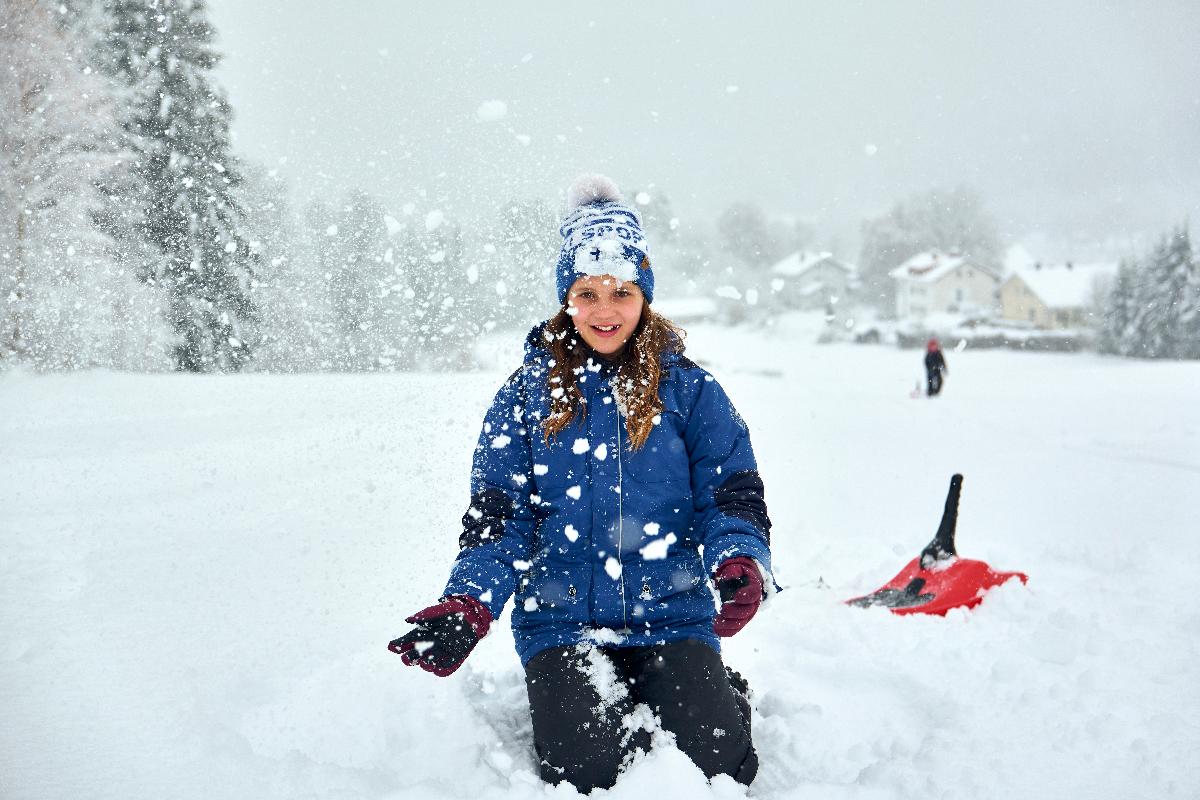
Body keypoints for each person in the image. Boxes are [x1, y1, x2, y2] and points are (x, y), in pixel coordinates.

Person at [388, 174, 776, 792]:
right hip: (563, 624)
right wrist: (470, 604)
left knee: (721, 766)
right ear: (566, 296)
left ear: (644, 295)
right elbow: (497, 519)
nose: (604, 309)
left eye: (621, 291)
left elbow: (733, 494)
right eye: (587, 292)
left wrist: (740, 560)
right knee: (586, 775)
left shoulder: (690, 391)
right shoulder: (525, 396)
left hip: (670, 613)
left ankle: (719, 690)